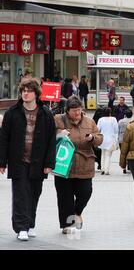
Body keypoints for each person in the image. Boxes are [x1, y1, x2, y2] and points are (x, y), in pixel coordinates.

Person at [0, 78, 56, 241]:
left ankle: (30, 224)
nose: (25, 93)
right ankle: (21, 227)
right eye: (23, 90)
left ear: (36, 94)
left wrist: (49, 163)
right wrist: (2, 162)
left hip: (38, 161)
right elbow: (3, 138)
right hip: (18, 161)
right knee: (20, 194)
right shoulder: (12, 113)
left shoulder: (45, 113)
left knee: (34, 193)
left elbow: (51, 140)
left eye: (29, 90)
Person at [54, 96, 103, 234]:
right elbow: (47, 135)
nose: (77, 113)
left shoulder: (89, 121)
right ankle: (67, 224)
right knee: (65, 197)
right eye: (74, 110)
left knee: (86, 192)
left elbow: (100, 138)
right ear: (67, 111)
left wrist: (93, 138)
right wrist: (59, 133)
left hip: (85, 163)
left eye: (79, 110)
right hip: (63, 164)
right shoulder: (58, 119)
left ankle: (77, 212)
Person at [97, 108, 119, 176]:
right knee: (108, 155)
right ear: (110, 113)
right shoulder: (113, 119)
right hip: (110, 139)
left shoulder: (100, 119)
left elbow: (98, 129)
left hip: (102, 139)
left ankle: (102, 169)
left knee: (102, 154)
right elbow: (116, 130)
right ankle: (106, 170)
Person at [118, 110, 133, 174]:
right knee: (130, 153)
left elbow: (118, 130)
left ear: (125, 115)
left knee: (123, 154)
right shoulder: (133, 121)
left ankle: (124, 168)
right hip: (131, 139)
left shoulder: (120, 121)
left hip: (122, 139)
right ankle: (130, 166)